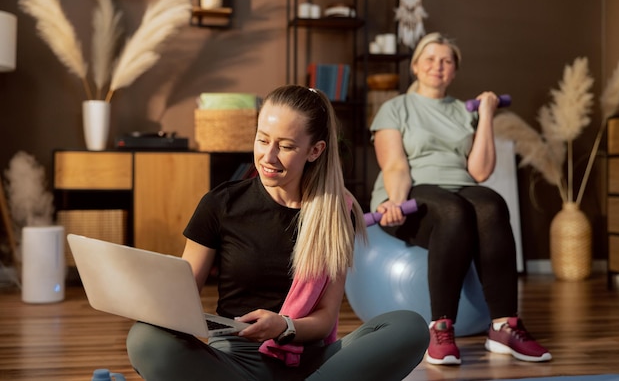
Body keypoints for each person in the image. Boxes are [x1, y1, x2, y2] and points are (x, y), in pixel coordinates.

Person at [126, 85, 430, 380]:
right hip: (235, 361)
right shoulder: (221, 203)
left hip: (313, 364)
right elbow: (182, 295)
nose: (268, 157)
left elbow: (324, 320)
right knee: (145, 338)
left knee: (410, 326)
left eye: (285, 146)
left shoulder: (337, 213)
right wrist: (148, 296)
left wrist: (285, 326)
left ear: (315, 150)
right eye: (262, 140)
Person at [369, 32, 552, 366]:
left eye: (447, 60)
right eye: (430, 59)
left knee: (493, 203)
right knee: (453, 211)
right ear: (415, 66)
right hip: (412, 191)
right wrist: (394, 201)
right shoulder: (396, 108)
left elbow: (479, 172)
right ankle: (441, 328)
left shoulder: (462, 111)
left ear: (454, 71)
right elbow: (395, 164)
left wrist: (485, 116)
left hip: (460, 187)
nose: (438, 66)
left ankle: (503, 327)